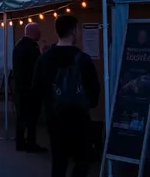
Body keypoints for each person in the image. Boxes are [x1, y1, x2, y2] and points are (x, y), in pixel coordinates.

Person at [33, 15, 100, 177]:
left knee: (59, 162)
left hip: (55, 118)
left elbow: (36, 90)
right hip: (79, 118)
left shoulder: (44, 59)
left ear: (57, 32)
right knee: (82, 161)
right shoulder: (83, 59)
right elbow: (94, 90)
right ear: (73, 32)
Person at [13, 23, 47, 152]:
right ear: (33, 32)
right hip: (30, 89)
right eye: (39, 31)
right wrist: (43, 54)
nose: (40, 34)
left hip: (20, 88)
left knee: (21, 117)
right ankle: (31, 143)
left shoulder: (18, 46)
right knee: (32, 118)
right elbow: (37, 67)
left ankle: (20, 143)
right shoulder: (32, 47)